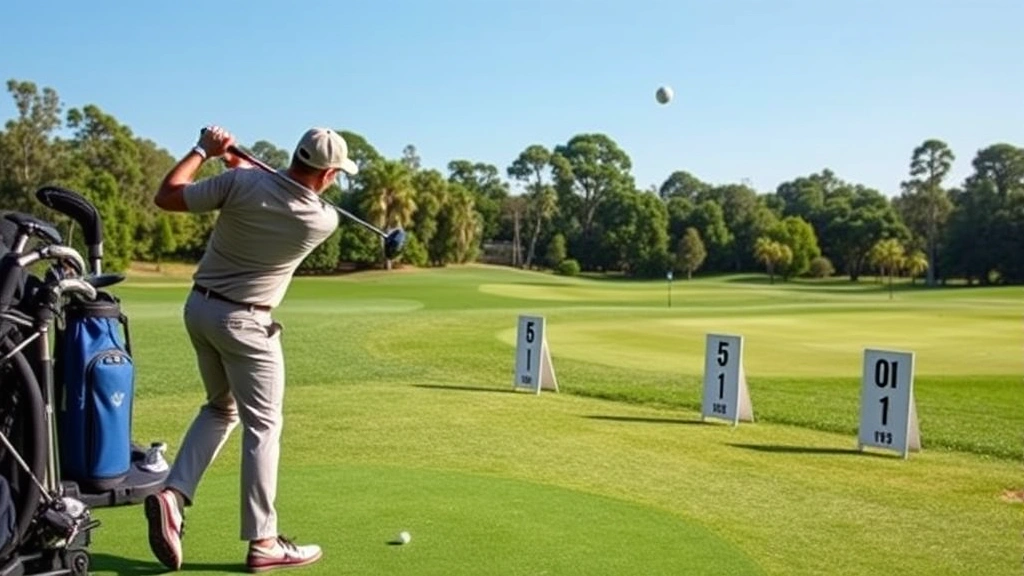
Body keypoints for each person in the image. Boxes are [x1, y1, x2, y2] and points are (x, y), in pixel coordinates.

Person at [146, 125, 358, 572]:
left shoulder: (239, 184)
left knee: (221, 409)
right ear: (327, 175)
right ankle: (263, 542)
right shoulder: (322, 219)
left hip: (199, 311)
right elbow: (272, 197)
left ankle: (172, 495)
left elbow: (168, 195)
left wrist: (205, 150)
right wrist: (236, 164)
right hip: (247, 324)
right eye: (337, 173)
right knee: (263, 426)